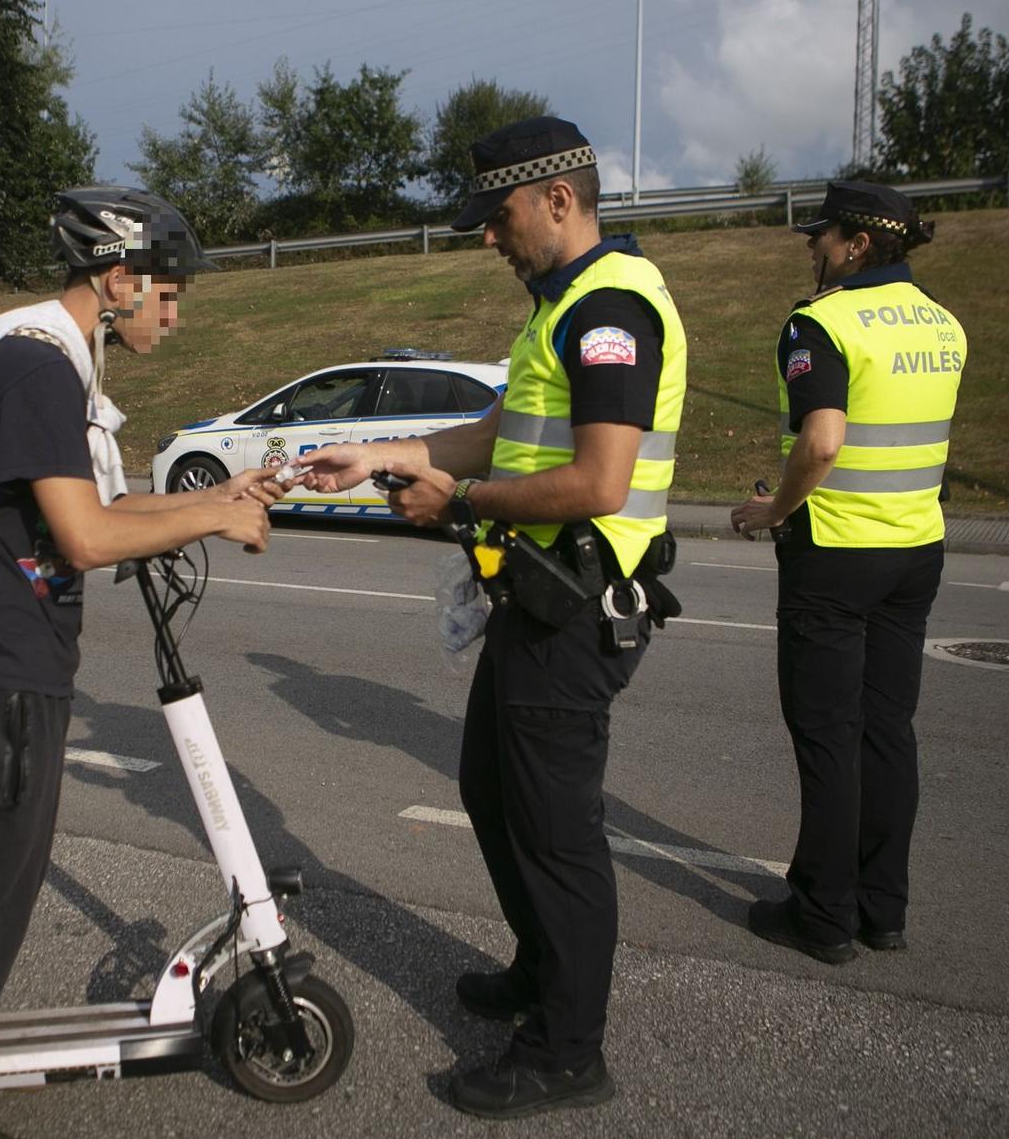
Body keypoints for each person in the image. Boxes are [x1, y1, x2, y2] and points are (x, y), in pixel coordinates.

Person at [302, 117, 685, 1120]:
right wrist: (387, 457)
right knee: (489, 787)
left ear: (557, 199)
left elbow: (599, 477)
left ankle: (565, 1049)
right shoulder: (557, 305)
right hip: (533, 593)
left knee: (554, 829)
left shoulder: (609, 309)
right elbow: (493, 434)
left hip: (575, 604)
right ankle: (540, 967)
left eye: (498, 214)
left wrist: (455, 506)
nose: (487, 236)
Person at [0, 188, 280, 1139]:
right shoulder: (37, 372)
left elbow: (106, 509)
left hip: (19, 671)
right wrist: (219, 516)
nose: (175, 317)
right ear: (118, 279)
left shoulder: (60, 365)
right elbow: (88, 536)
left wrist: (216, 495)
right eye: (169, 295)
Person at [729, 180, 967, 965]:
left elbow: (823, 441)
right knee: (889, 731)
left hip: (834, 555)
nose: (813, 249)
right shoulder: (944, 323)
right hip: (915, 551)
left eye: (822, 236)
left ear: (858, 243)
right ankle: (881, 906)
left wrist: (773, 512)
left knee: (827, 736)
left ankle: (822, 915)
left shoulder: (820, 322)